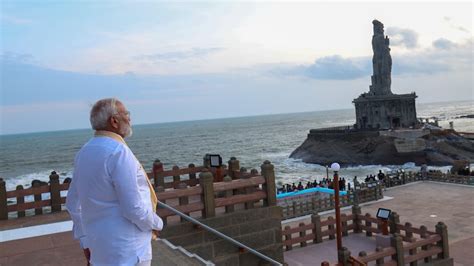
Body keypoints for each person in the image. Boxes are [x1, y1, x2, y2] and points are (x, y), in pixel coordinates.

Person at [66, 98, 163, 266]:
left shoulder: (84, 152)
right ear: (114, 121)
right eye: (126, 114)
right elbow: (133, 208)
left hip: (100, 248)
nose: (130, 119)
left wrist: (85, 240)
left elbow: (73, 203)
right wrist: (157, 223)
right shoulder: (119, 152)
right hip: (129, 250)